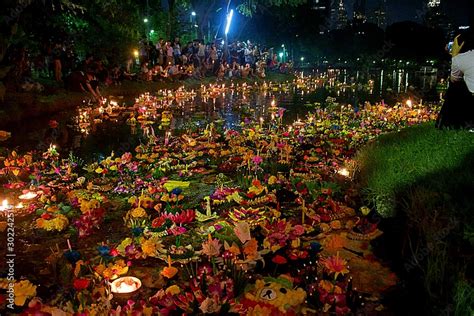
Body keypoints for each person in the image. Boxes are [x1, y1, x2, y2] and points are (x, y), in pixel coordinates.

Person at [436, 29, 474, 129]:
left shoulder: (459, 59)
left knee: (456, 86)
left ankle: (454, 123)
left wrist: (454, 56)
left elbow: (454, 80)